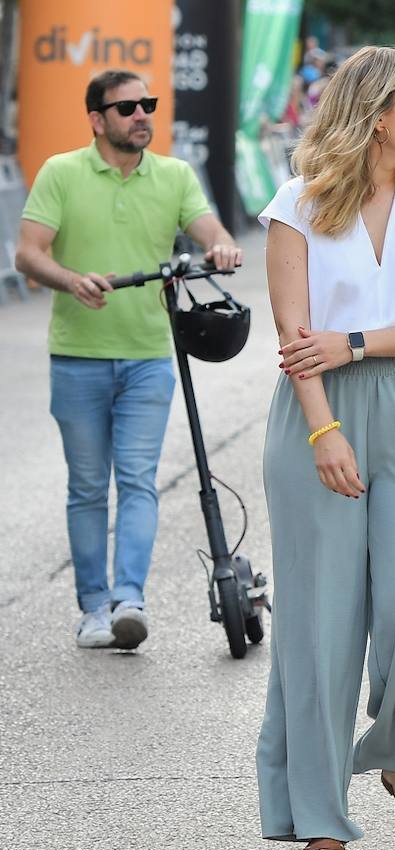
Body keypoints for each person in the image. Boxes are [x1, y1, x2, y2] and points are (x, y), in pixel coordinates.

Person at [256, 46, 395, 850]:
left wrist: (352, 343)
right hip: (319, 416)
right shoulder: (298, 204)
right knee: (321, 620)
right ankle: (316, 810)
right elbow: (290, 334)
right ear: (376, 113)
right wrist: (323, 430)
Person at [15, 69, 242, 651]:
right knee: (89, 487)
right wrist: (70, 280)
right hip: (78, 355)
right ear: (97, 120)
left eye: (148, 104)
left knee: (138, 482)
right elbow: (28, 254)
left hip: (147, 357)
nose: (142, 114)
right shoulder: (61, 173)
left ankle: (128, 600)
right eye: (127, 108)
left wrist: (218, 244)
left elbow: (210, 227)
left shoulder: (174, 175)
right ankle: (92, 608)